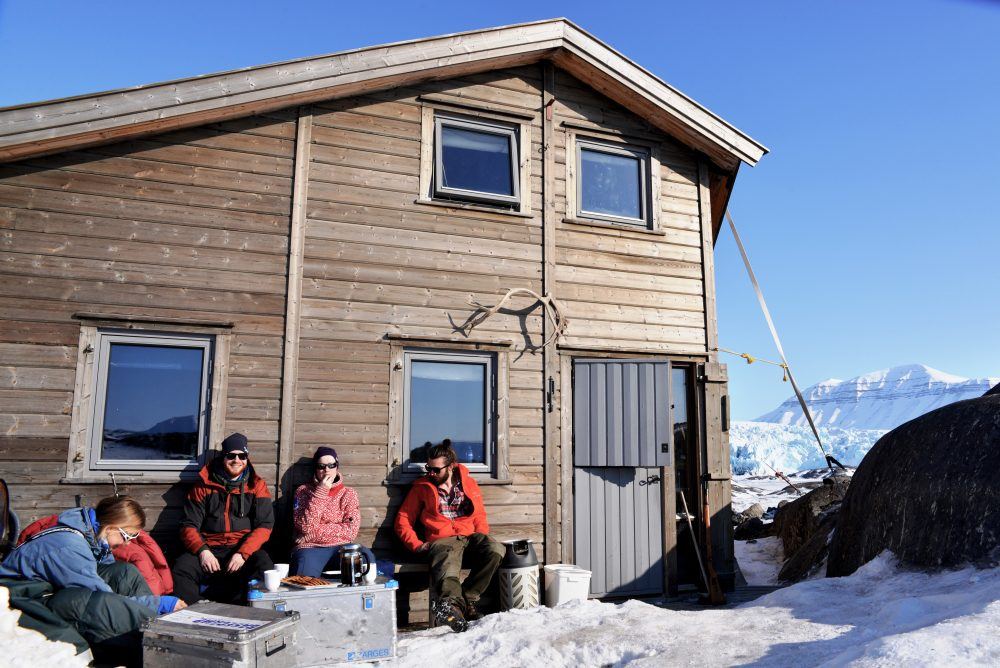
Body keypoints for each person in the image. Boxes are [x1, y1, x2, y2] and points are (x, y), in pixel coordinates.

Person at [0, 495, 184, 663]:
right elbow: (103, 597)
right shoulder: (69, 547)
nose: (128, 543)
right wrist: (157, 604)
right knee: (97, 604)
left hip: (50, 588)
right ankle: (148, 643)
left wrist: (150, 604)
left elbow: (111, 573)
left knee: (124, 572)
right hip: (22, 598)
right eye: (127, 536)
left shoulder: (92, 535)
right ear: (111, 527)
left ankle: (146, 633)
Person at [394, 439, 504, 632]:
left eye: (436, 470)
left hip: (469, 537)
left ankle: (467, 598)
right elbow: (403, 519)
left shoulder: (468, 484)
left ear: (451, 466)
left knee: (495, 549)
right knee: (447, 566)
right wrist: (417, 545)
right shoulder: (422, 487)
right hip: (442, 540)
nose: (431, 473)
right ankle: (452, 608)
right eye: (429, 468)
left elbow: (479, 514)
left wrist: (481, 536)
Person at [172, 432, 275, 604]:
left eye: (242, 456)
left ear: (247, 458)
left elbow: (265, 525)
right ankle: (193, 614)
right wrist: (202, 551)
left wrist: (243, 553)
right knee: (182, 567)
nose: (237, 460)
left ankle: (249, 611)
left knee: (264, 564)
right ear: (223, 457)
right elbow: (188, 525)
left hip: (241, 548)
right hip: (209, 547)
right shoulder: (203, 485)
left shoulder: (256, 485)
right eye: (231, 455)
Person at [290, 446, 371, 577]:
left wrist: (309, 535)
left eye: (331, 465)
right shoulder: (303, 492)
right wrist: (320, 493)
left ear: (337, 467)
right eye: (321, 466)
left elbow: (351, 531)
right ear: (315, 469)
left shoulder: (348, 494)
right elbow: (305, 527)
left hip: (341, 547)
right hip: (311, 548)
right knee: (303, 574)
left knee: (366, 558)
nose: (326, 470)